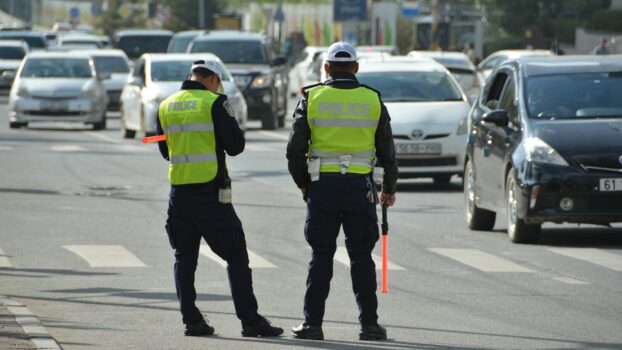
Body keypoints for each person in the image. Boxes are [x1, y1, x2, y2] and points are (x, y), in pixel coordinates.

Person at [156, 57, 283, 338]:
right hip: (210, 194)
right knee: (236, 255)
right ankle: (250, 321)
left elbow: (166, 151)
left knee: (184, 257)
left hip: (179, 194)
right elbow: (235, 146)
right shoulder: (214, 103)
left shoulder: (166, 105)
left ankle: (191, 321)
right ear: (212, 79)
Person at [286, 41, 398, 341]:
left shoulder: (312, 97)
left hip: (323, 186)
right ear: (356, 68)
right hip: (360, 188)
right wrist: (388, 188)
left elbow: (294, 150)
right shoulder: (373, 99)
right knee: (362, 256)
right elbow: (388, 150)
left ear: (326, 68)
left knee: (321, 254)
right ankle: (369, 326)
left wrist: (304, 184)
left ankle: (312, 324)